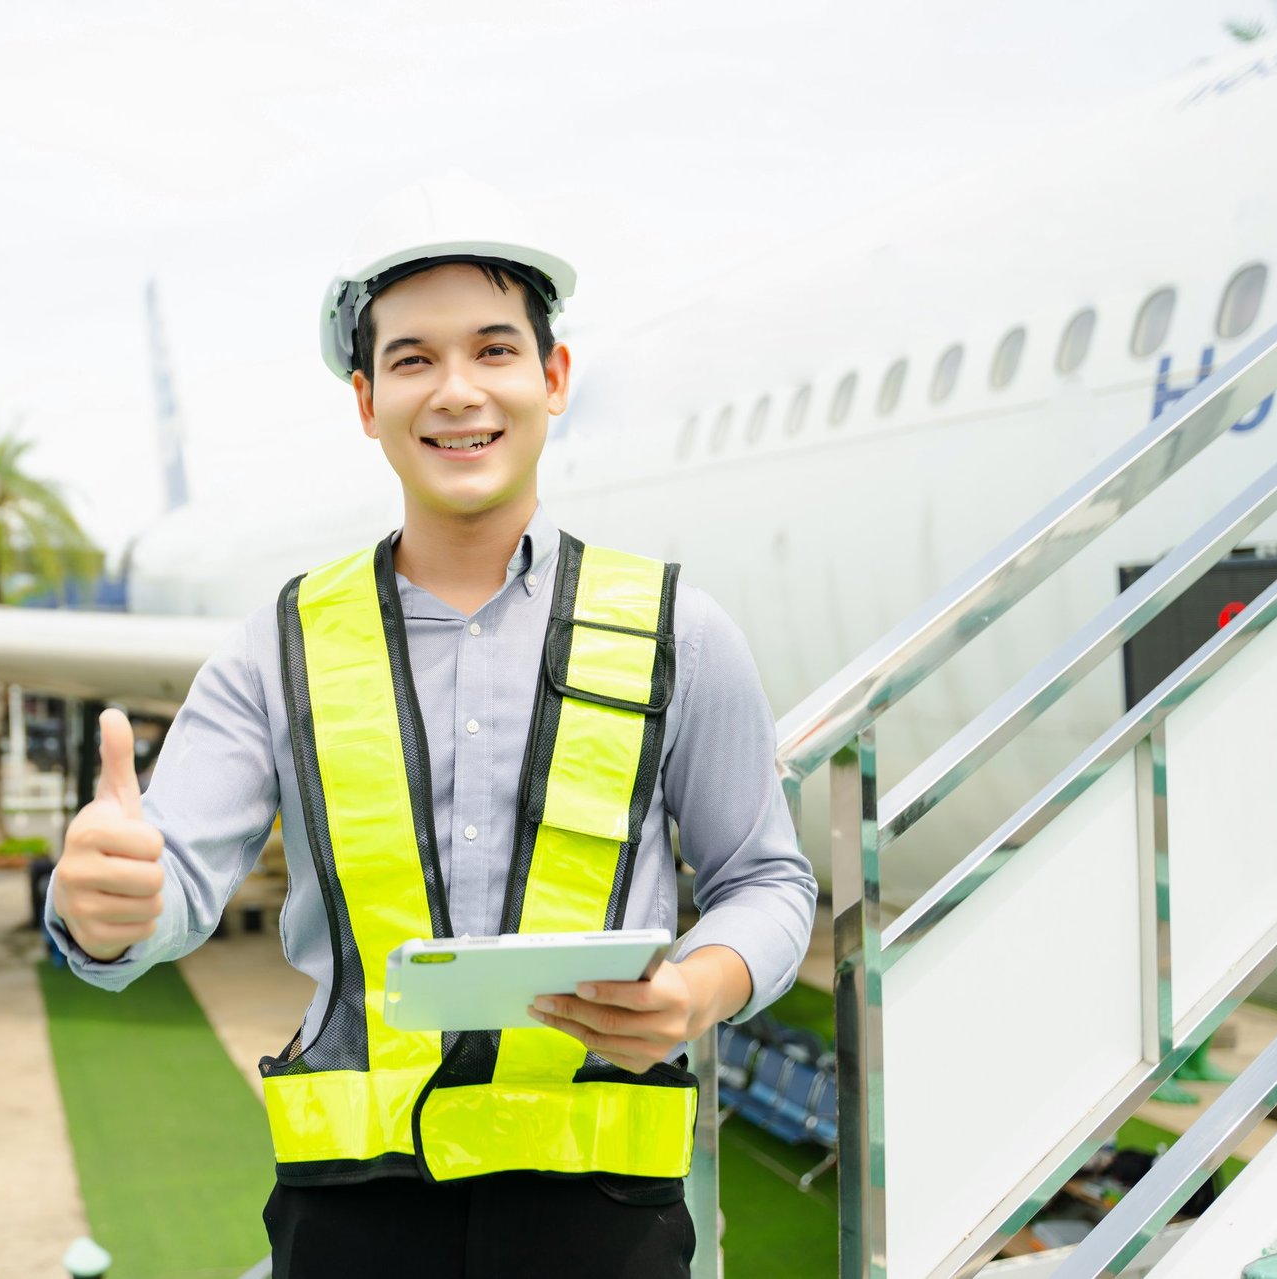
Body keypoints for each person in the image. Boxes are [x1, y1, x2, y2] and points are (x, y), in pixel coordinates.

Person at [45, 171, 818, 1279]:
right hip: (355, 1222)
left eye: (495, 350)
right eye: (413, 359)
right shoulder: (279, 646)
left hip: (606, 1215)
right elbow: (173, 890)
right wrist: (110, 910)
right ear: (366, 401)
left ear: (553, 379)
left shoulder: (677, 632)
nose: (458, 390)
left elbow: (769, 880)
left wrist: (698, 988)